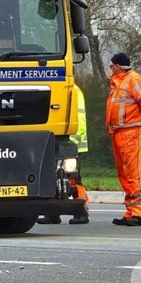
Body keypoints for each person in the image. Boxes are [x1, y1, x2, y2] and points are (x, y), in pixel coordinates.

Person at [106, 52, 141, 227]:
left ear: (118, 66)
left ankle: (138, 213)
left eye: (111, 65)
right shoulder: (118, 82)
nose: (110, 69)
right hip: (119, 133)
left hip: (132, 132)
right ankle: (130, 212)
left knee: (134, 174)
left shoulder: (134, 79)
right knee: (125, 175)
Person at [37, 84, 90, 225]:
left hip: (70, 141)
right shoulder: (73, 89)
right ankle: (53, 214)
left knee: (73, 180)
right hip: (67, 141)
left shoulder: (69, 89)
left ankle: (82, 212)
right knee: (55, 178)